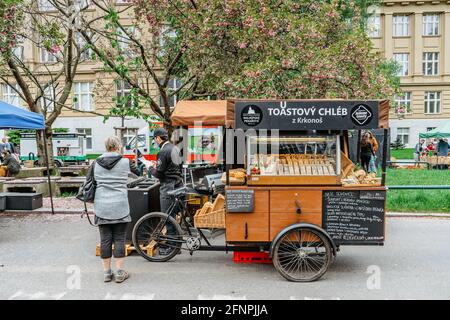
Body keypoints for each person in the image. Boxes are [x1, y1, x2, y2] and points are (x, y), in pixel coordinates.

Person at [94, 136, 140, 283]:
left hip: (101, 206)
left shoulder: (95, 162)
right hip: (120, 205)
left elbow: (90, 183)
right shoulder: (125, 162)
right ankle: (119, 272)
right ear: (118, 146)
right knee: (120, 238)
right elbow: (138, 172)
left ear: (106, 146)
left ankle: (107, 273)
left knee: (105, 240)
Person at [148, 127, 183, 255]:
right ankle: (176, 245)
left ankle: (171, 247)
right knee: (174, 216)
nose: (155, 142)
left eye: (155, 139)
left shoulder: (163, 152)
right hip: (178, 184)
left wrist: (150, 168)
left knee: (168, 216)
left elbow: (159, 174)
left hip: (168, 186)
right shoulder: (175, 148)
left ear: (158, 138)